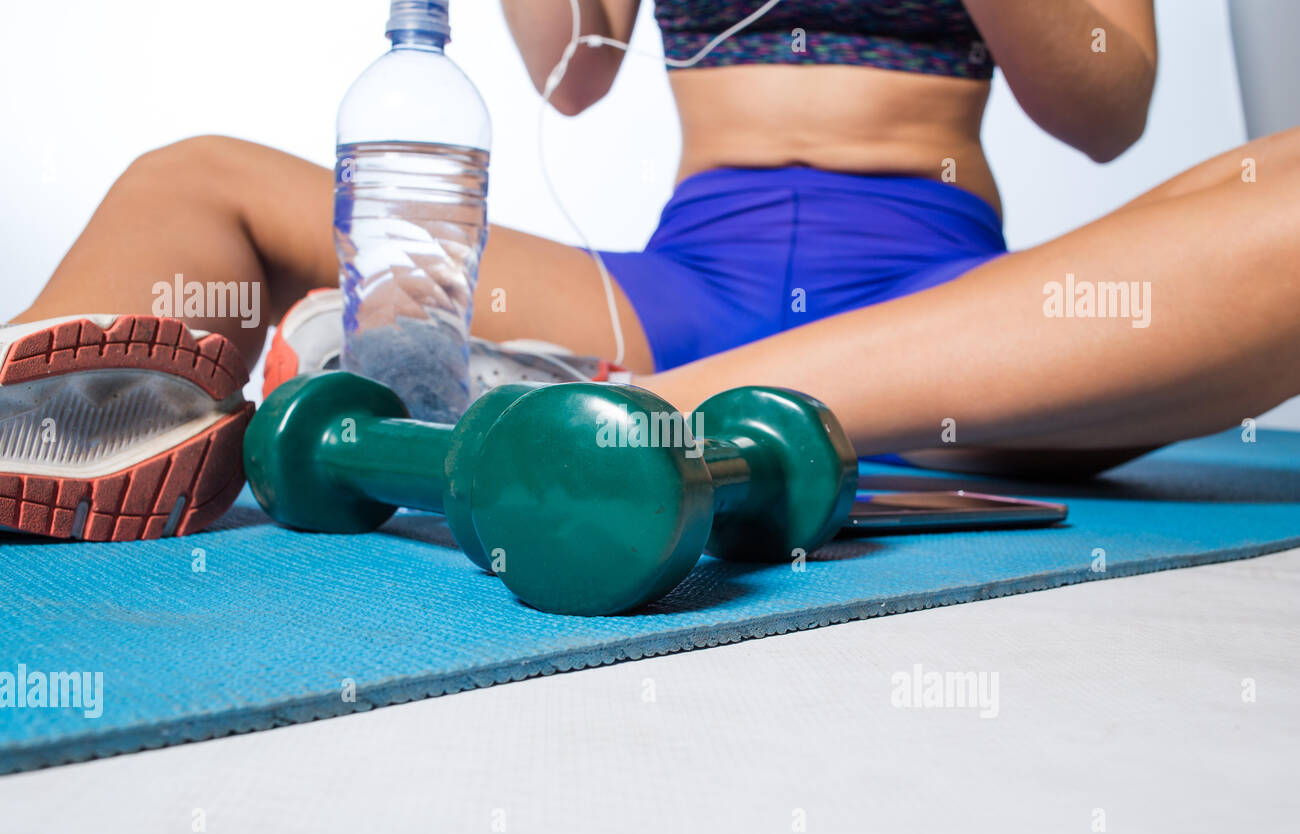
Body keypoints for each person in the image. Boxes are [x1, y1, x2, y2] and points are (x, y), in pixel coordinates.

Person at [4, 0, 1298, 541]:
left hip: (957, 323)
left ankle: (585, 409)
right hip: (673, 298)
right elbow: (575, 69)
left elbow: (1105, 106)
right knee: (194, 181)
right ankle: (63, 430)